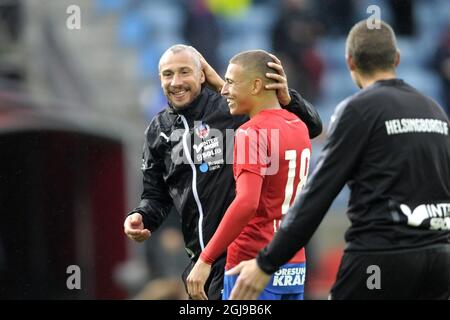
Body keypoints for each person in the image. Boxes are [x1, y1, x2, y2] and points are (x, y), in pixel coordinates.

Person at [228, 20, 450, 300]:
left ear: (350, 62)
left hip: (379, 258)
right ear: (397, 59)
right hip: (440, 259)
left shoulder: (359, 109)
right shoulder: (435, 111)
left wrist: (265, 262)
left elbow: (318, 193)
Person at [123, 44, 322, 300]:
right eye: (167, 74)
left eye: (184, 72)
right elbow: (155, 196)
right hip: (201, 263)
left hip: (238, 257)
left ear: (202, 74)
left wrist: (288, 97)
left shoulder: (232, 112)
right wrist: (142, 216)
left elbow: (309, 125)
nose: (176, 82)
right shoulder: (158, 131)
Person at [186, 50, 311, 300]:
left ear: (256, 85)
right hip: (293, 264)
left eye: (231, 82)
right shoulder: (299, 126)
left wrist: (205, 258)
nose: (223, 90)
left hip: (250, 265)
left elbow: (247, 203)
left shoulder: (250, 132)